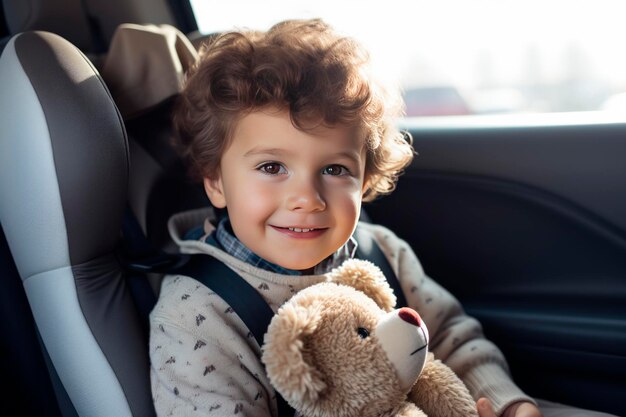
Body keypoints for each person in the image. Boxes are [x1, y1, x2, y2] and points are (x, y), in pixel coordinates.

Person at [149, 18, 613, 417]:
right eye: (272, 167)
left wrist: (506, 401)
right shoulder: (196, 313)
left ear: (365, 180)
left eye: (334, 170)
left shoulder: (380, 252)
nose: (307, 198)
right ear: (215, 181)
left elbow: (450, 336)